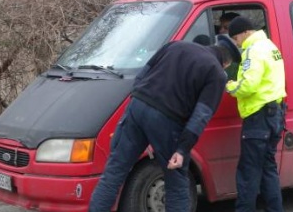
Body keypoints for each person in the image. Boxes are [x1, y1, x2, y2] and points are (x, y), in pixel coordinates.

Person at [89, 41, 232, 211]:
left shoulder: (175, 46)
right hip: (168, 120)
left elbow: (142, 75)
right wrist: (182, 149)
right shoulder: (216, 73)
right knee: (177, 183)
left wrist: (138, 101)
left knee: (114, 173)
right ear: (225, 63)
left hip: (137, 106)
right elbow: (201, 114)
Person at [225, 16, 287, 212]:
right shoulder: (269, 46)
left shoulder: (253, 50)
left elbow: (248, 85)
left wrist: (229, 86)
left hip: (258, 117)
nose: (236, 43)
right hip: (275, 114)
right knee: (268, 169)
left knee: (248, 172)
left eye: (235, 38)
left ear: (244, 32)